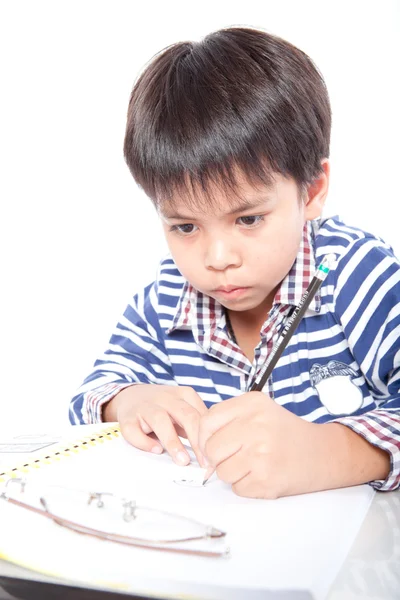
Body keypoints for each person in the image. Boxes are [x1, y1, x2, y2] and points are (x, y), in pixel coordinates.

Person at [69, 26, 400, 499]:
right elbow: (88, 397)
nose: (217, 259)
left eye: (248, 219)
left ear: (312, 190)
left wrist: (333, 451)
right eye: (184, 227)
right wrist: (128, 400)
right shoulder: (165, 302)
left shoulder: (356, 274)